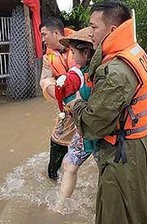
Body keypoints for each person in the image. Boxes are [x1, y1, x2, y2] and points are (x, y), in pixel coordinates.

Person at [69, 0, 147, 224]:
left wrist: (75, 103)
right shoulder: (133, 51)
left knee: (116, 213)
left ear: (111, 30)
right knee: (140, 208)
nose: (89, 33)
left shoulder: (117, 71)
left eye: (93, 27)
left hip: (124, 152)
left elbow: (92, 124)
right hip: (138, 144)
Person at [52, 27, 99, 208]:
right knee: (69, 165)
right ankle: (59, 206)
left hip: (101, 133)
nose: (72, 56)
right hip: (84, 130)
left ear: (86, 52)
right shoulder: (79, 73)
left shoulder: (100, 74)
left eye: (73, 52)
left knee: (108, 172)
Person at [39, 17, 76, 180]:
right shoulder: (48, 58)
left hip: (88, 105)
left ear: (55, 33)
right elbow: (44, 80)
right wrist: (50, 85)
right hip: (67, 107)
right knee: (57, 142)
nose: (42, 39)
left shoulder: (81, 45)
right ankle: (53, 178)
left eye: (44, 34)